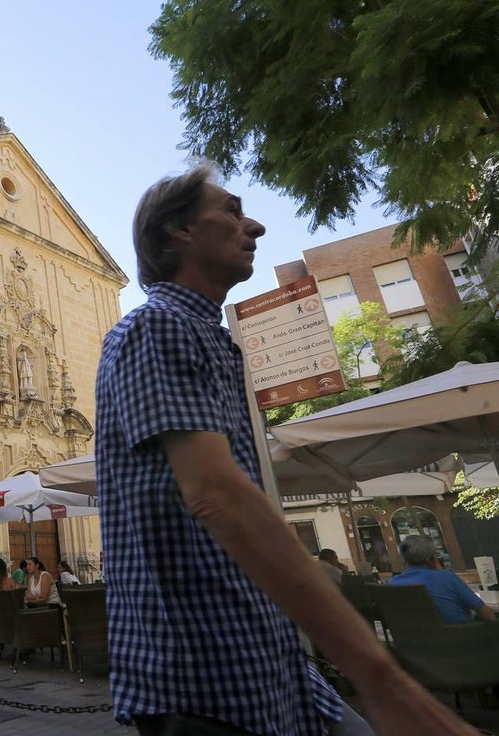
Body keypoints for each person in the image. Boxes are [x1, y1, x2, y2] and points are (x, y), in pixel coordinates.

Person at [96, 163, 473, 735]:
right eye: (231, 210)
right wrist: (381, 676)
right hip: (208, 679)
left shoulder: (207, 340)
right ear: (180, 232)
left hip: (267, 661)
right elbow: (218, 496)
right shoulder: (158, 327)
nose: (255, 226)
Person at [388, 535, 495, 625]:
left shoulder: (392, 583)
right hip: (461, 640)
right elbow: (487, 614)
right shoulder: (446, 577)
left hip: (415, 646)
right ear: (431, 558)